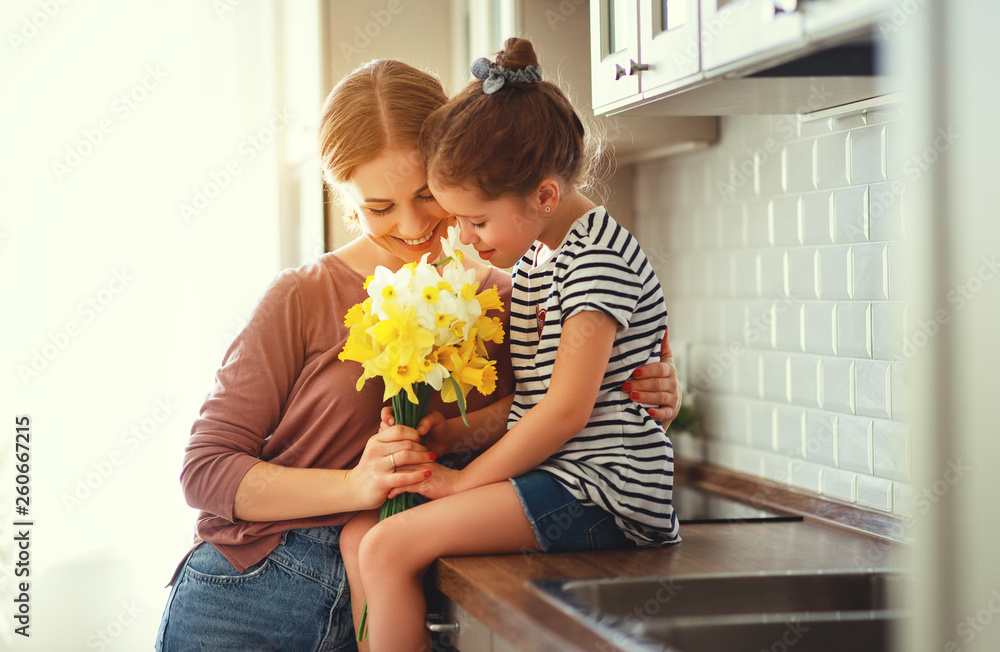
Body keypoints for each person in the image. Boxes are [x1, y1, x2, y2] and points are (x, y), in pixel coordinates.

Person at [154, 56, 682, 651]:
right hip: (256, 594)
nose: (410, 226)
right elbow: (205, 471)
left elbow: (561, 403)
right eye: (379, 207)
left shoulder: (515, 289)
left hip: (408, 575)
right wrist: (356, 487)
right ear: (345, 200)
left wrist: (648, 390)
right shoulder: (302, 296)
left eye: (427, 195)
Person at [343, 38, 681, 652]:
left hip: (604, 493)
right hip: (567, 479)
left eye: (476, 221)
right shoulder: (544, 259)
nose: (465, 239)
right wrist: (460, 434)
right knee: (376, 541)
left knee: (387, 547)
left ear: (544, 197)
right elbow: (537, 398)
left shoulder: (596, 260)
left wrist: (461, 482)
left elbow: (565, 411)